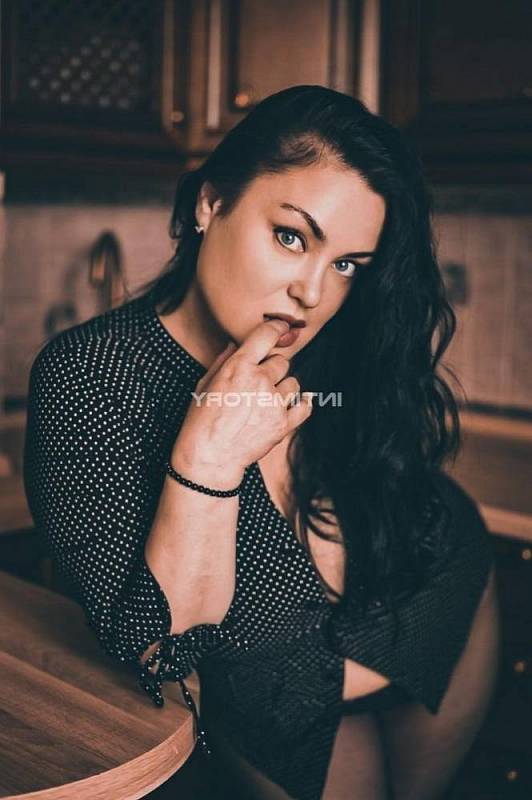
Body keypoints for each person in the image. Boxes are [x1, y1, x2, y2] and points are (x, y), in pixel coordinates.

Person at [23, 85, 500, 800]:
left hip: (423, 601)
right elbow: (160, 650)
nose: (313, 292)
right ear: (210, 204)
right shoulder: (92, 374)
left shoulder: (327, 348)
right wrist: (207, 457)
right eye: (292, 237)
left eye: (347, 264)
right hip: (273, 686)